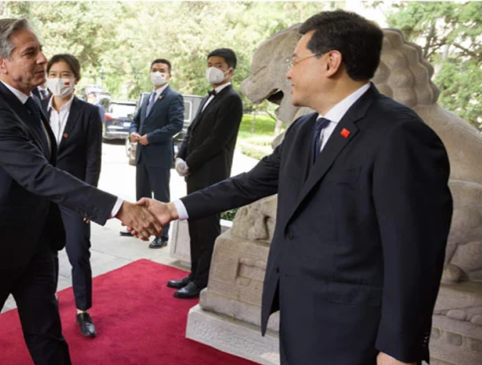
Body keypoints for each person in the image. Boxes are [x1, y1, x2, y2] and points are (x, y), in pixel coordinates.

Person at [139, 10, 453, 365]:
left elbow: (415, 255)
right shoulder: (306, 130)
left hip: (354, 332)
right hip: (297, 315)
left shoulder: (400, 135)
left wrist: (399, 350)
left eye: (295, 60)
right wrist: (172, 209)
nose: (288, 73)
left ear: (331, 62)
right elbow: (249, 184)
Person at [0, 18, 160, 365]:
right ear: (0, 62)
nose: (43, 59)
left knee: (46, 333)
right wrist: (118, 208)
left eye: (40, 49)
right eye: (31, 52)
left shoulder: (32, 101)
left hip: (36, 241)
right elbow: (39, 175)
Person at [168, 48, 243, 299]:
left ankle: (202, 280)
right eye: (210, 63)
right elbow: (193, 131)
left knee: (207, 229)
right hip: (194, 172)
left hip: (211, 174)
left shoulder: (232, 99)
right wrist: (181, 155)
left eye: (218, 65)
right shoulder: (207, 97)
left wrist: (190, 161)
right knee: (194, 226)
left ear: (230, 70)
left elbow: (216, 140)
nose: (212, 68)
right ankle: (194, 272)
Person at [41, 54, 102, 338]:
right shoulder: (36, 108)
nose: (58, 79)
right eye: (52, 73)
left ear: (76, 79)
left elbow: (93, 159)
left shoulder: (89, 113)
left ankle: (83, 310)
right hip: (40, 194)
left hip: (74, 196)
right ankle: (48, 297)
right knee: (44, 251)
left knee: (78, 252)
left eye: (64, 74)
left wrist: (89, 199)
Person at [126, 59, 184, 249]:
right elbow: (136, 120)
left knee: (160, 196)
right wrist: (133, 132)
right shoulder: (147, 97)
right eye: (154, 70)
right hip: (142, 154)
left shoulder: (173, 97)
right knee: (141, 194)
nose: (157, 73)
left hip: (159, 155)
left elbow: (175, 125)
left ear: (169, 75)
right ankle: (140, 226)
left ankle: (162, 235)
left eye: (161, 70)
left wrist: (150, 137)